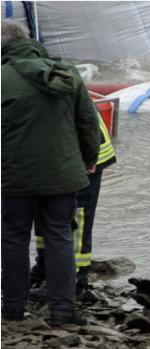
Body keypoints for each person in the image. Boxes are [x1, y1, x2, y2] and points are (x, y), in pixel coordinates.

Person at [1, 19, 100, 325]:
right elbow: (88, 122)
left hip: (13, 176)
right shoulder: (65, 74)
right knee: (59, 237)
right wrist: (88, 160)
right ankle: (63, 310)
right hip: (62, 174)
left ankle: (13, 310)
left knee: (14, 238)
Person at [30, 108, 117, 298]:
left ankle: (75, 279)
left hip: (84, 155)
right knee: (46, 211)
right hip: (62, 153)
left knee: (77, 216)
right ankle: (45, 268)